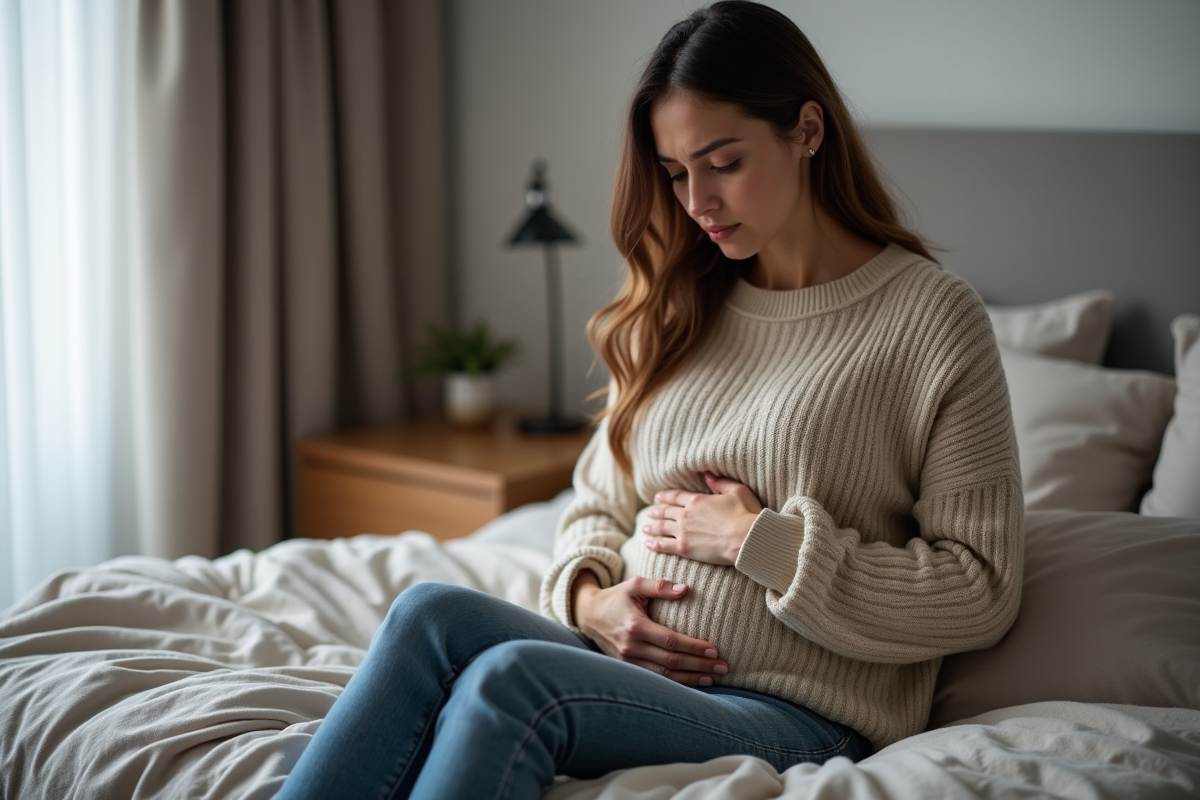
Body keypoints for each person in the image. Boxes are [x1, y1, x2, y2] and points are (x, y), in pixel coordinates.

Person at [277, 2, 1023, 798]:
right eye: (675, 173)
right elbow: (595, 505)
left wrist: (757, 543)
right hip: (625, 670)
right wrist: (590, 601)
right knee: (427, 614)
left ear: (807, 130)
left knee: (512, 682)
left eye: (722, 162)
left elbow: (978, 586)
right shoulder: (682, 306)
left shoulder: (933, 319)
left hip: (798, 706)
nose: (696, 200)